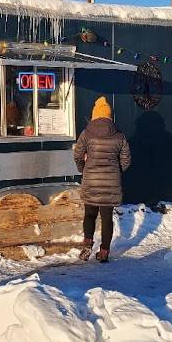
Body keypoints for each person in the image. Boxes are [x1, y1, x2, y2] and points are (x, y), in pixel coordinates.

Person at [73, 96, 131, 262]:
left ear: (94, 115)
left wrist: (83, 169)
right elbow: (127, 160)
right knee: (107, 219)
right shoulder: (119, 136)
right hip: (111, 184)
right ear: (109, 116)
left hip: (91, 181)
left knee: (89, 214)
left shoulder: (86, 134)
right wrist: (116, 172)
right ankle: (104, 252)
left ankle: (86, 246)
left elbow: (77, 154)